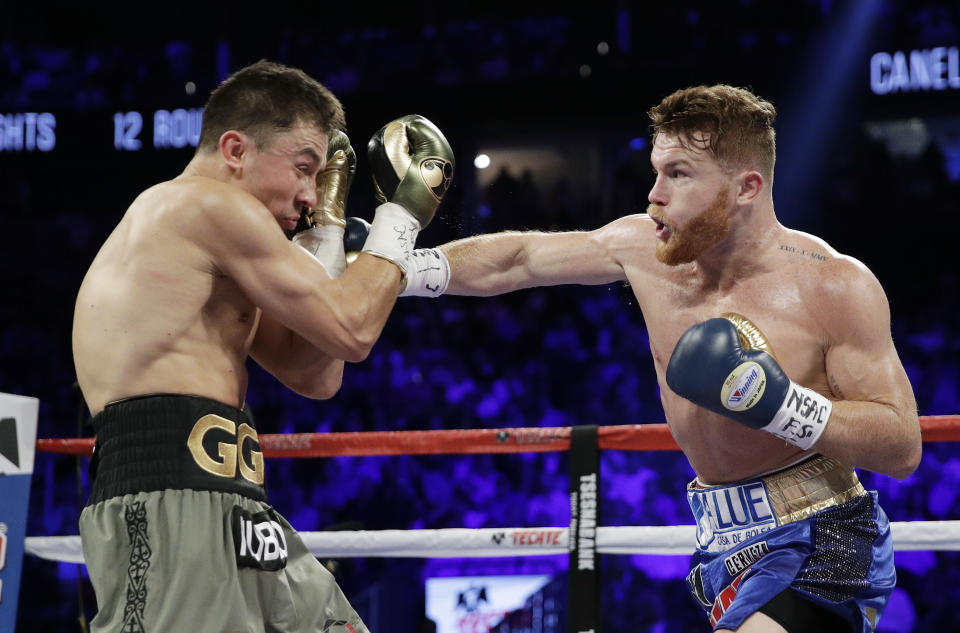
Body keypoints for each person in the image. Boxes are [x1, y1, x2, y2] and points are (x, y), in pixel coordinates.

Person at [399, 85, 920, 632]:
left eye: (679, 174)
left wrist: (781, 404)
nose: (654, 195)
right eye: (656, 171)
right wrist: (395, 268)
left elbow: (901, 444)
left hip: (823, 538)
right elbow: (519, 259)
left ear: (746, 188)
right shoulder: (643, 248)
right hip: (721, 544)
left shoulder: (833, 284)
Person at [72, 59, 454, 633]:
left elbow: (316, 372)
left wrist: (325, 225)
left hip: (238, 504)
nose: (307, 193)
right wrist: (402, 215)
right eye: (303, 169)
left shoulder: (214, 254)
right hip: (166, 500)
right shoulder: (202, 205)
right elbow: (352, 330)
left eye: (317, 176)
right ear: (235, 150)